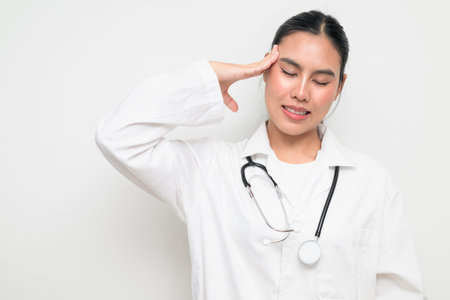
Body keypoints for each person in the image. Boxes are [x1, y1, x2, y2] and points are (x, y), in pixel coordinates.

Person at [95, 10, 425, 300]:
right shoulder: (209, 169)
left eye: (321, 80)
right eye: (289, 72)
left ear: (339, 86)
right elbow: (118, 137)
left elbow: (400, 293)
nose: (300, 92)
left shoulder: (371, 182)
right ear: (267, 68)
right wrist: (208, 78)